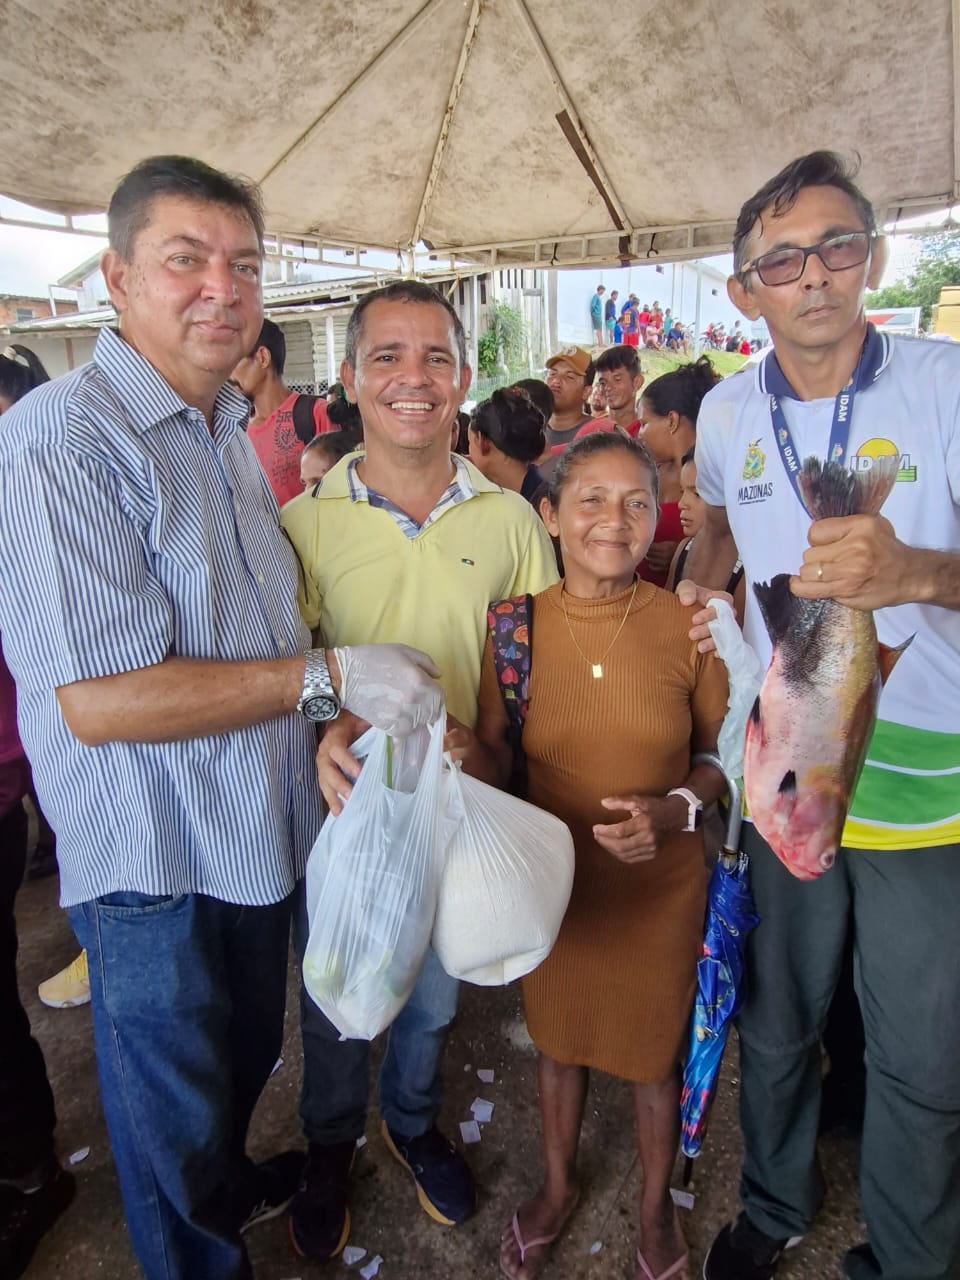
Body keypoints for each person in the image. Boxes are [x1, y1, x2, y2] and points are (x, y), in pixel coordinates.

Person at [0, 155, 446, 1280]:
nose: (222, 288)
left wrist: (323, 716)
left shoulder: (224, 429)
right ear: (117, 277)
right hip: (154, 858)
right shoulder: (64, 437)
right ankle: (196, 1241)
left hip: (258, 832)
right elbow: (101, 699)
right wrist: (330, 676)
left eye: (243, 264)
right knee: (169, 1113)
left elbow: (257, 636)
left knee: (238, 1066)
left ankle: (224, 1180)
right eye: (185, 260)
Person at [679, 150, 960, 1280]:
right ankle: (776, 1200)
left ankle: (912, 1255)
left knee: (921, 1052)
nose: (814, 275)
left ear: (874, 259)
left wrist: (920, 574)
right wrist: (695, 599)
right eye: (783, 259)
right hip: (782, 766)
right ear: (746, 289)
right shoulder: (725, 411)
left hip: (928, 776)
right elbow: (713, 532)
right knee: (780, 1017)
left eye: (838, 245)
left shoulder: (945, 383)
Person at [280, 281, 559, 1264]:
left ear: (464, 377)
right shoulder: (302, 521)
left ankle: (409, 1117)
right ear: (351, 377)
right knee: (338, 973)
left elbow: (520, 668)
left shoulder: (510, 520)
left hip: (455, 798)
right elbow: (286, 662)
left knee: (433, 991)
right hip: (348, 798)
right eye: (388, 357)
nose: (414, 378)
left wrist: (494, 754)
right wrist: (322, 726)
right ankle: (328, 1140)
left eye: (436, 356)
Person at [452, 432, 728, 1280]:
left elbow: (720, 759)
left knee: (653, 1057)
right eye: (592, 500)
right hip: (556, 886)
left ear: (659, 517)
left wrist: (675, 812)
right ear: (549, 515)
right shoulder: (514, 630)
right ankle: (557, 1186)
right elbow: (498, 756)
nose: (616, 519)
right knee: (558, 1042)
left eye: (637, 502)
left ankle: (654, 1211)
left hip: (661, 889)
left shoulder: (690, 627)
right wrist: (462, 754)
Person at [637, 357, 722, 588]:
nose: (639, 434)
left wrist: (683, 553)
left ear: (672, 421)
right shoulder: (648, 473)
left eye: (644, 423)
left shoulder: (716, 474)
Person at [229, 318, 331, 506]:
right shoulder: (236, 432)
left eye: (234, 360)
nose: (228, 374)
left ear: (262, 358)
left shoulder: (315, 414)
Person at [666, 449, 745, 622]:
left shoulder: (746, 564)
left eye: (697, 494)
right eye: (682, 492)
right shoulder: (684, 549)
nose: (682, 504)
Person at [467, 386, 548, 507]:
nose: (468, 453)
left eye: (469, 442)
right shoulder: (534, 490)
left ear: (483, 442)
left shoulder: (544, 504)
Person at [540, 347, 593, 467]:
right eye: (552, 374)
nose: (556, 381)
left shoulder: (597, 436)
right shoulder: (532, 429)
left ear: (586, 392)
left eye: (569, 376)